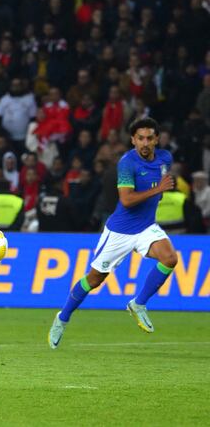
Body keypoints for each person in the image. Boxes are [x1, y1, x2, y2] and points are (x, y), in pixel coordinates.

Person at [48, 117, 179, 349]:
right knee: (95, 279)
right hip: (120, 230)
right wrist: (158, 189)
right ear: (133, 140)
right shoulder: (127, 163)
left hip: (147, 227)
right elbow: (127, 200)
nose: (145, 143)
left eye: (150, 138)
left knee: (170, 258)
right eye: (140, 138)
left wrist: (161, 188)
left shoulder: (165, 158)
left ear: (157, 139)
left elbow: (160, 184)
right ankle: (63, 317)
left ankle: (138, 304)